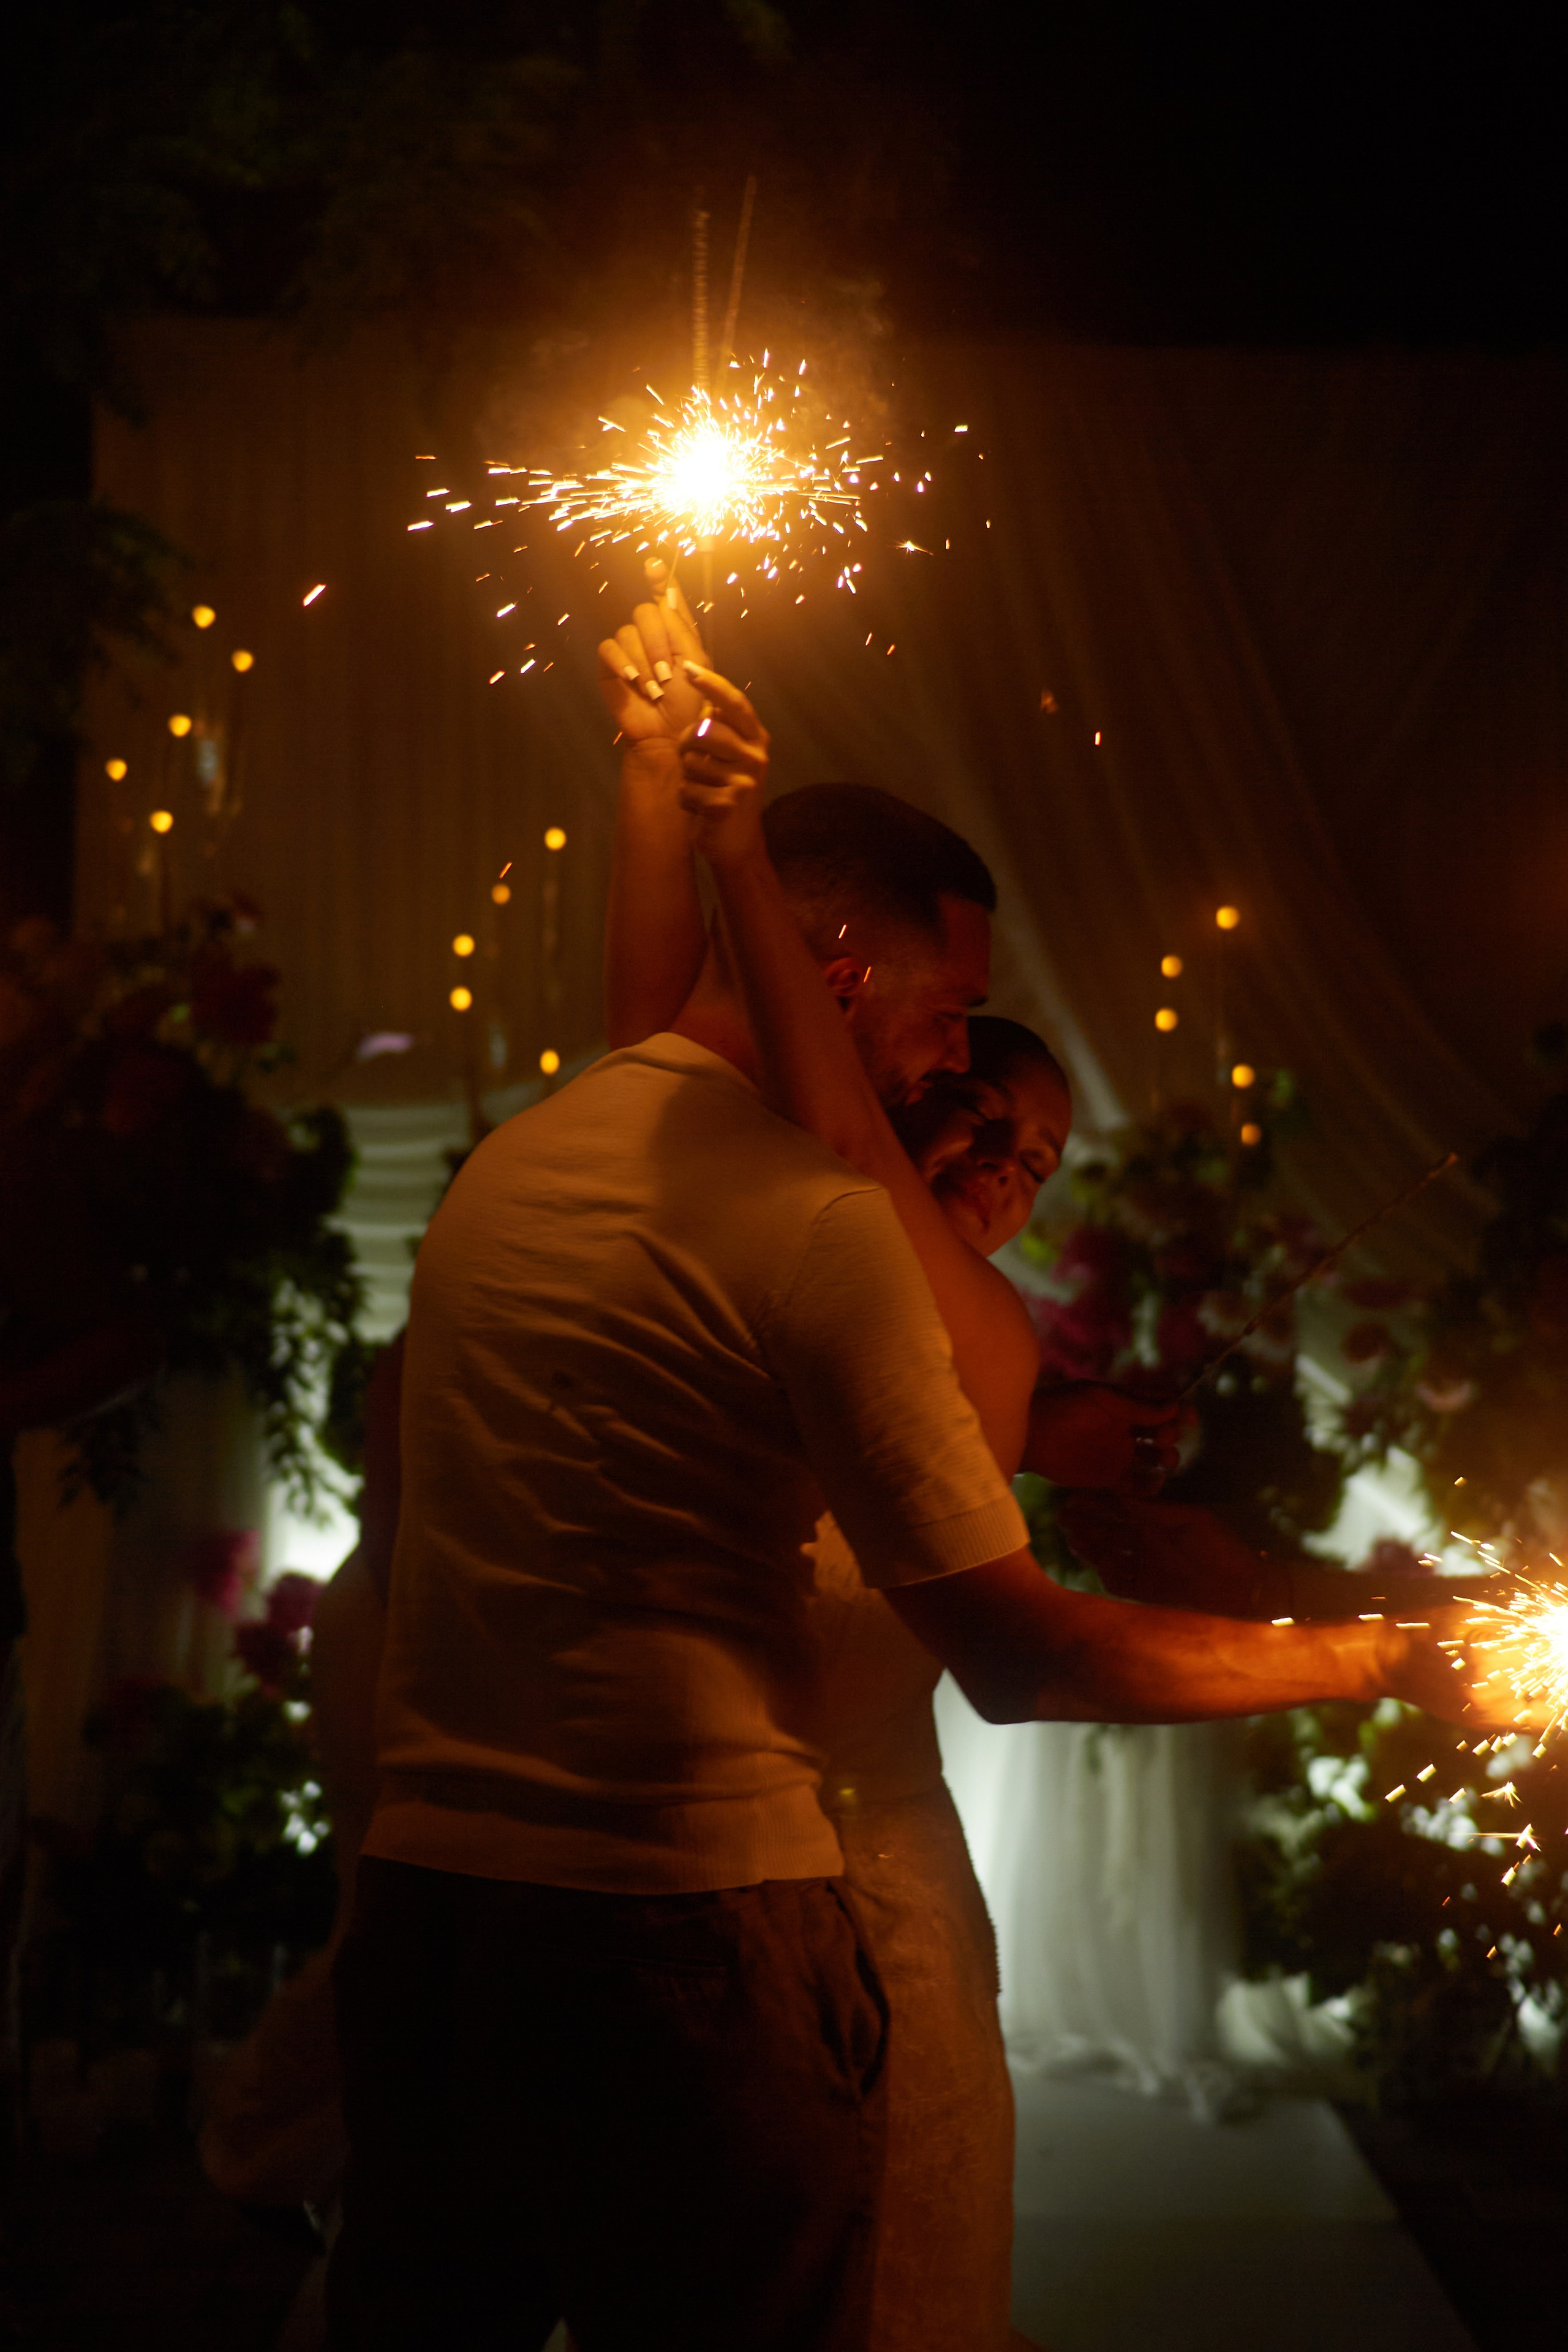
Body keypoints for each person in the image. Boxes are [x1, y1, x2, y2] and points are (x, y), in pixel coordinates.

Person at [329, 581, 1533, 2352]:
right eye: (956, 1015)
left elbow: (677, 1020)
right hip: (695, 1925)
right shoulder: (824, 1229)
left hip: (434, 1913)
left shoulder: (531, 1159)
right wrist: (1383, 1660)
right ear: (841, 979)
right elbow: (1020, 1655)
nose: (961, 1055)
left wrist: (668, 793)